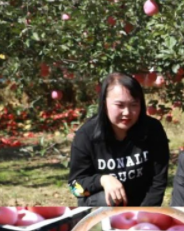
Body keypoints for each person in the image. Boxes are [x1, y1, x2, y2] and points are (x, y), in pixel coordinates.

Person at [68, 73, 169, 206]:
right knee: (109, 199)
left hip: (140, 205)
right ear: (104, 104)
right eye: (119, 105)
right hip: (102, 205)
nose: (127, 112)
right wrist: (102, 180)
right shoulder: (86, 135)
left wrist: (144, 213)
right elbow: (74, 188)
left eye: (134, 105)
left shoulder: (152, 130)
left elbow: (158, 181)